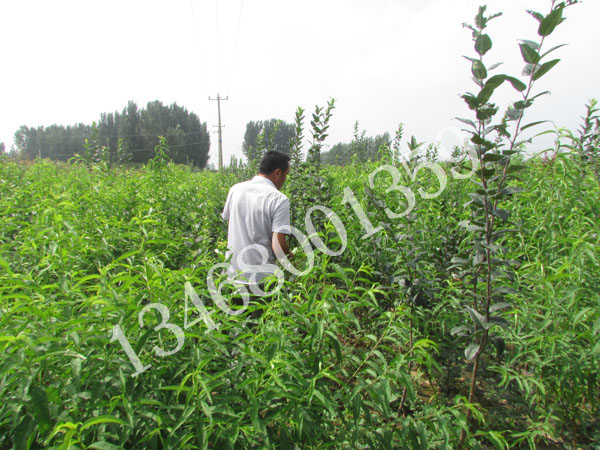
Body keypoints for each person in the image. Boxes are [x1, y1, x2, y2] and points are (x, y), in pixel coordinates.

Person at [221, 151, 292, 319]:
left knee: (236, 330)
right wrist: (292, 261)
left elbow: (231, 227)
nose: (284, 180)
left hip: (233, 275)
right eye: (286, 175)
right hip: (261, 279)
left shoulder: (235, 190)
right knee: (261, 333)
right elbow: (278, 246)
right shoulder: (279, 199)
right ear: (277, 172)